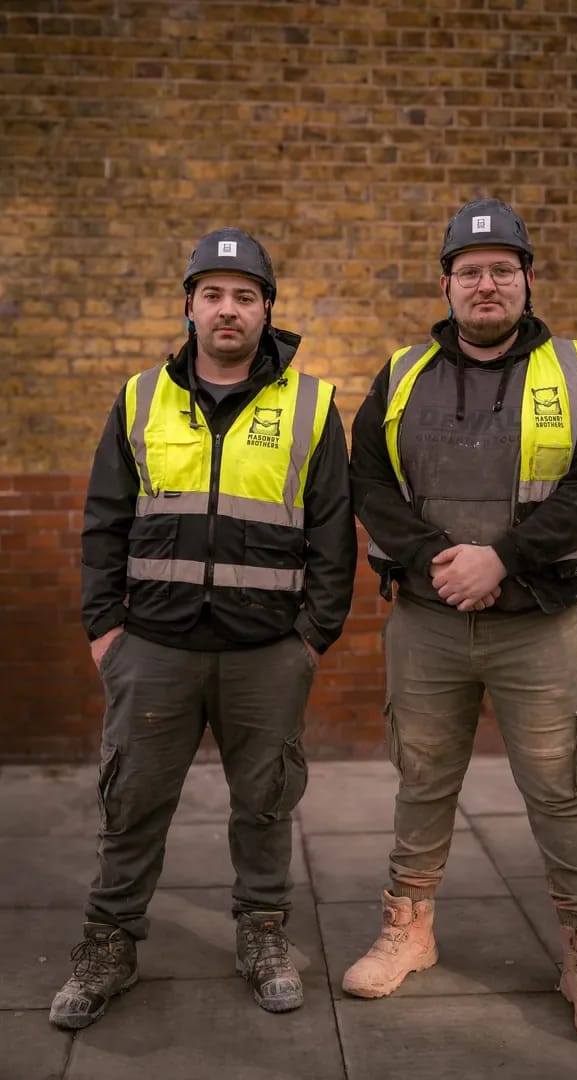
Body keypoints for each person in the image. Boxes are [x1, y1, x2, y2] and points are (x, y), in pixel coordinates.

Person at [49, 227, 357, 1029]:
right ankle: (108, 943)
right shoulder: (141, 397)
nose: (229, 309)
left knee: (265, 802)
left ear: (266, 311)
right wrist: (103, 633)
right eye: (212, 294)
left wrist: (311, 639)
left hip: (266, 653)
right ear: (188, 306)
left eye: (245, 296)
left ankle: (262, 935)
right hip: (151, 649)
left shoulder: (314, 404)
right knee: (134, 801)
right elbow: (104, 522)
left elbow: (333, 533)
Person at [342, 198, 577, 1045]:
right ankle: (409, 930)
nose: (487, 283)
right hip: (430, 620)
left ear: (527, 280)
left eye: (503, 269)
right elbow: (370, 480)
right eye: (470, 271)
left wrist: (502, 559)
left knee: (560, 793)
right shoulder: (400, 373)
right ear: (447, 285)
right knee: (422, 781)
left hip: (538, 620)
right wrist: (444, 559)